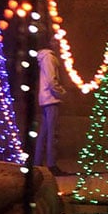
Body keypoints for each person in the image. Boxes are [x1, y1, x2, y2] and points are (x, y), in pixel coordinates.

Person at [35, 38, 67, 175]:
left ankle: (37, 163)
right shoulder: (49, 57)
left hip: (45, 98)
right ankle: (51, 164)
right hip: (51, 99)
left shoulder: (44, 57)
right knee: (52, 133)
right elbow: (51, 80)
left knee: (44, 132)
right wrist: (61, 93)